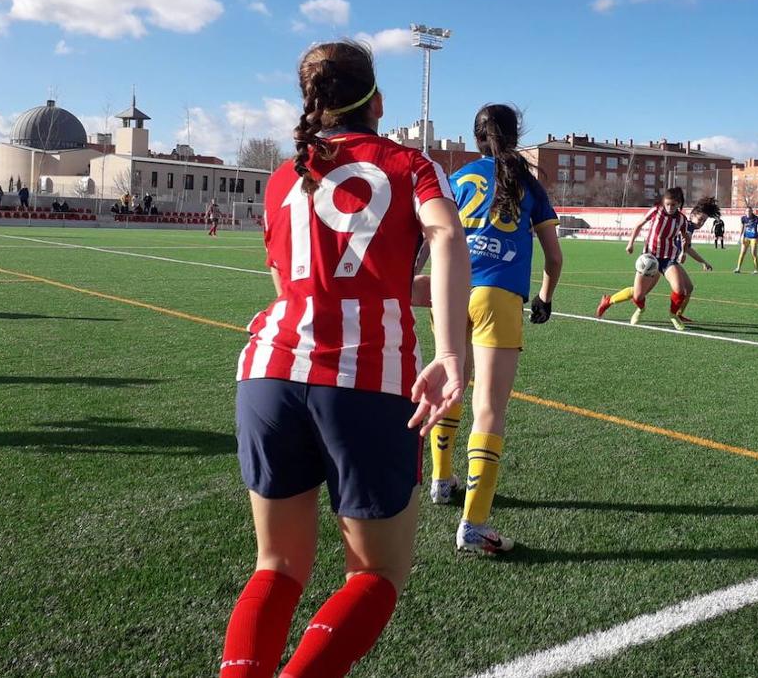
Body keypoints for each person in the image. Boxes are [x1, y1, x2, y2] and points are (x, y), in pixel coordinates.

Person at [221, 40, 470, 678]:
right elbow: (444, 234)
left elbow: (295, 286)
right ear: (378, 102)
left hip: (269, 372)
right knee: (377, 572)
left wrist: (392, 290)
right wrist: (449, 351)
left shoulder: (284, 177)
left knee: (275, 567)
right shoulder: (407, 163)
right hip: (367, 379)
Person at [426, 103, 563, 554]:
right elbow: (554, 257)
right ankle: (474, 523)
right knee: (490, 407)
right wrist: (544, 296)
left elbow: (431, 239)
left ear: (476, 137)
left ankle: (441, 480)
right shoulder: (528, 182)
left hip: (452, 290)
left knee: (452, 386)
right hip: (498, 296)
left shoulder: (458, 178)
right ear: (515, 132)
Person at [594, 186, 693, 331]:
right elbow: (639, 225)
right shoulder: (656, 211)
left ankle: (673, 315)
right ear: (663, 202)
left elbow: (685, 237)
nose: (670, 207)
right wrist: (630, 243)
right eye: (667, 204)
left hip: (667, 259)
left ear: (679, 204)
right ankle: (616, 303)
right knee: (638, 295)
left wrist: (683, 252)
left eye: (673, 204)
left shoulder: (682, 220)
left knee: (680, 289)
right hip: (649, 258)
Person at [734, 207, 758, 273]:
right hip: (746, 237)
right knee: (742, 253)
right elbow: (742, 227)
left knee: (753, 253)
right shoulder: (743, 218)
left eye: (749, 211)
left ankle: (756, 269)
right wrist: (740, 236)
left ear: (752, 211)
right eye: (747, 211)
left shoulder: (756, 218)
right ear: (745, 212)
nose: (748, 212)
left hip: (754, 238)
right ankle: (738, 268)